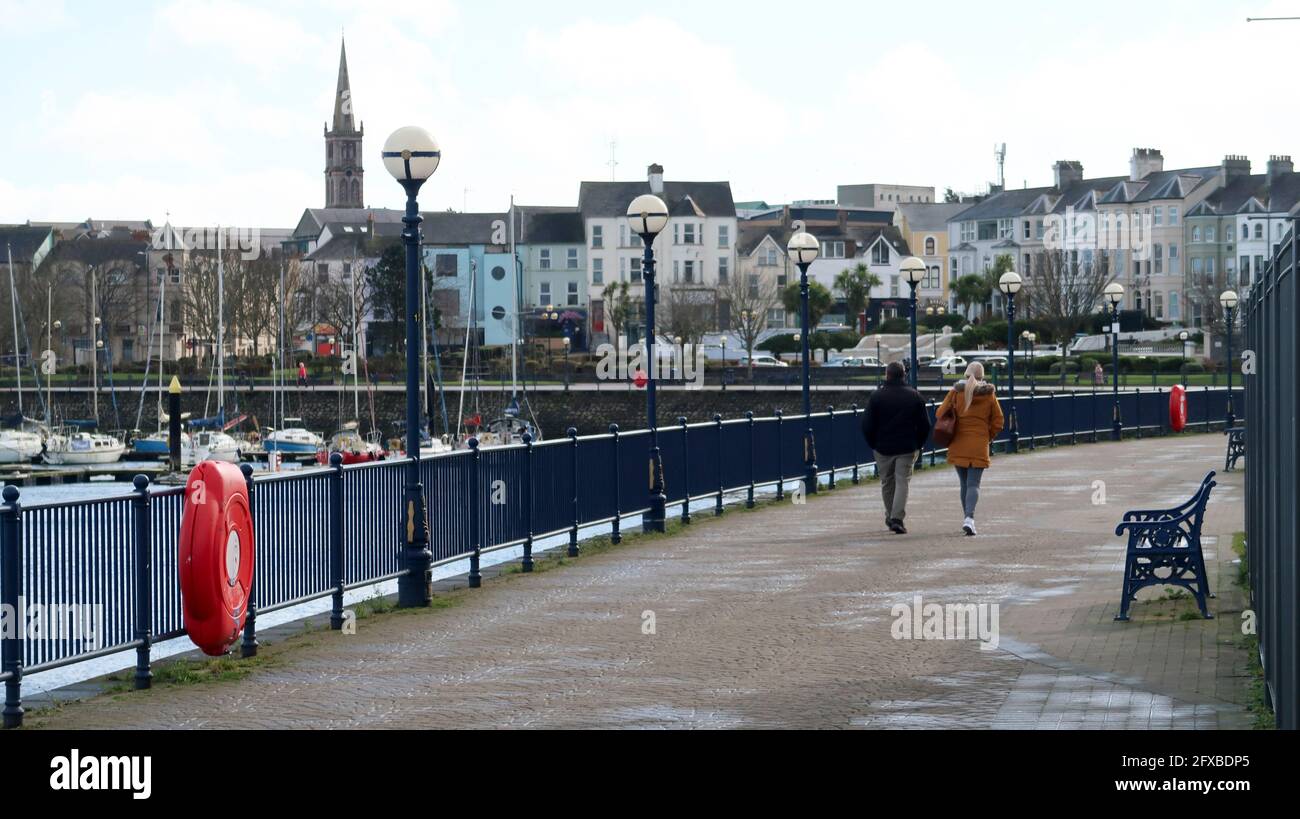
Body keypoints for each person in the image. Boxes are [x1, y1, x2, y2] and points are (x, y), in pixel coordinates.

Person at [861, 361, 933, 534]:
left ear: (887, 374)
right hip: (907, 446)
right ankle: (897, 517)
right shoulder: (914, 395)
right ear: (904, 375)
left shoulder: (876, 396)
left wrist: (874, 444)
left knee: (887, 482)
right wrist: (918, 444)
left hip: (883, 447)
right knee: (902, 482)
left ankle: (890, 515)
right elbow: (925, 425)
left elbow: (866, 425)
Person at [937, 361, 1004, 536]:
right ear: (983, 377)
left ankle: (967, 518)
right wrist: (987, 435)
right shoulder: (989, 396)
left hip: (958, 443)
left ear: (966, 375)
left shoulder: (955, 392)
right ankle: (969, 518)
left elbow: (939, 413)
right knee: (974, 484)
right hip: (979, 444)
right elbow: (999, 421)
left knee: (964, 484)